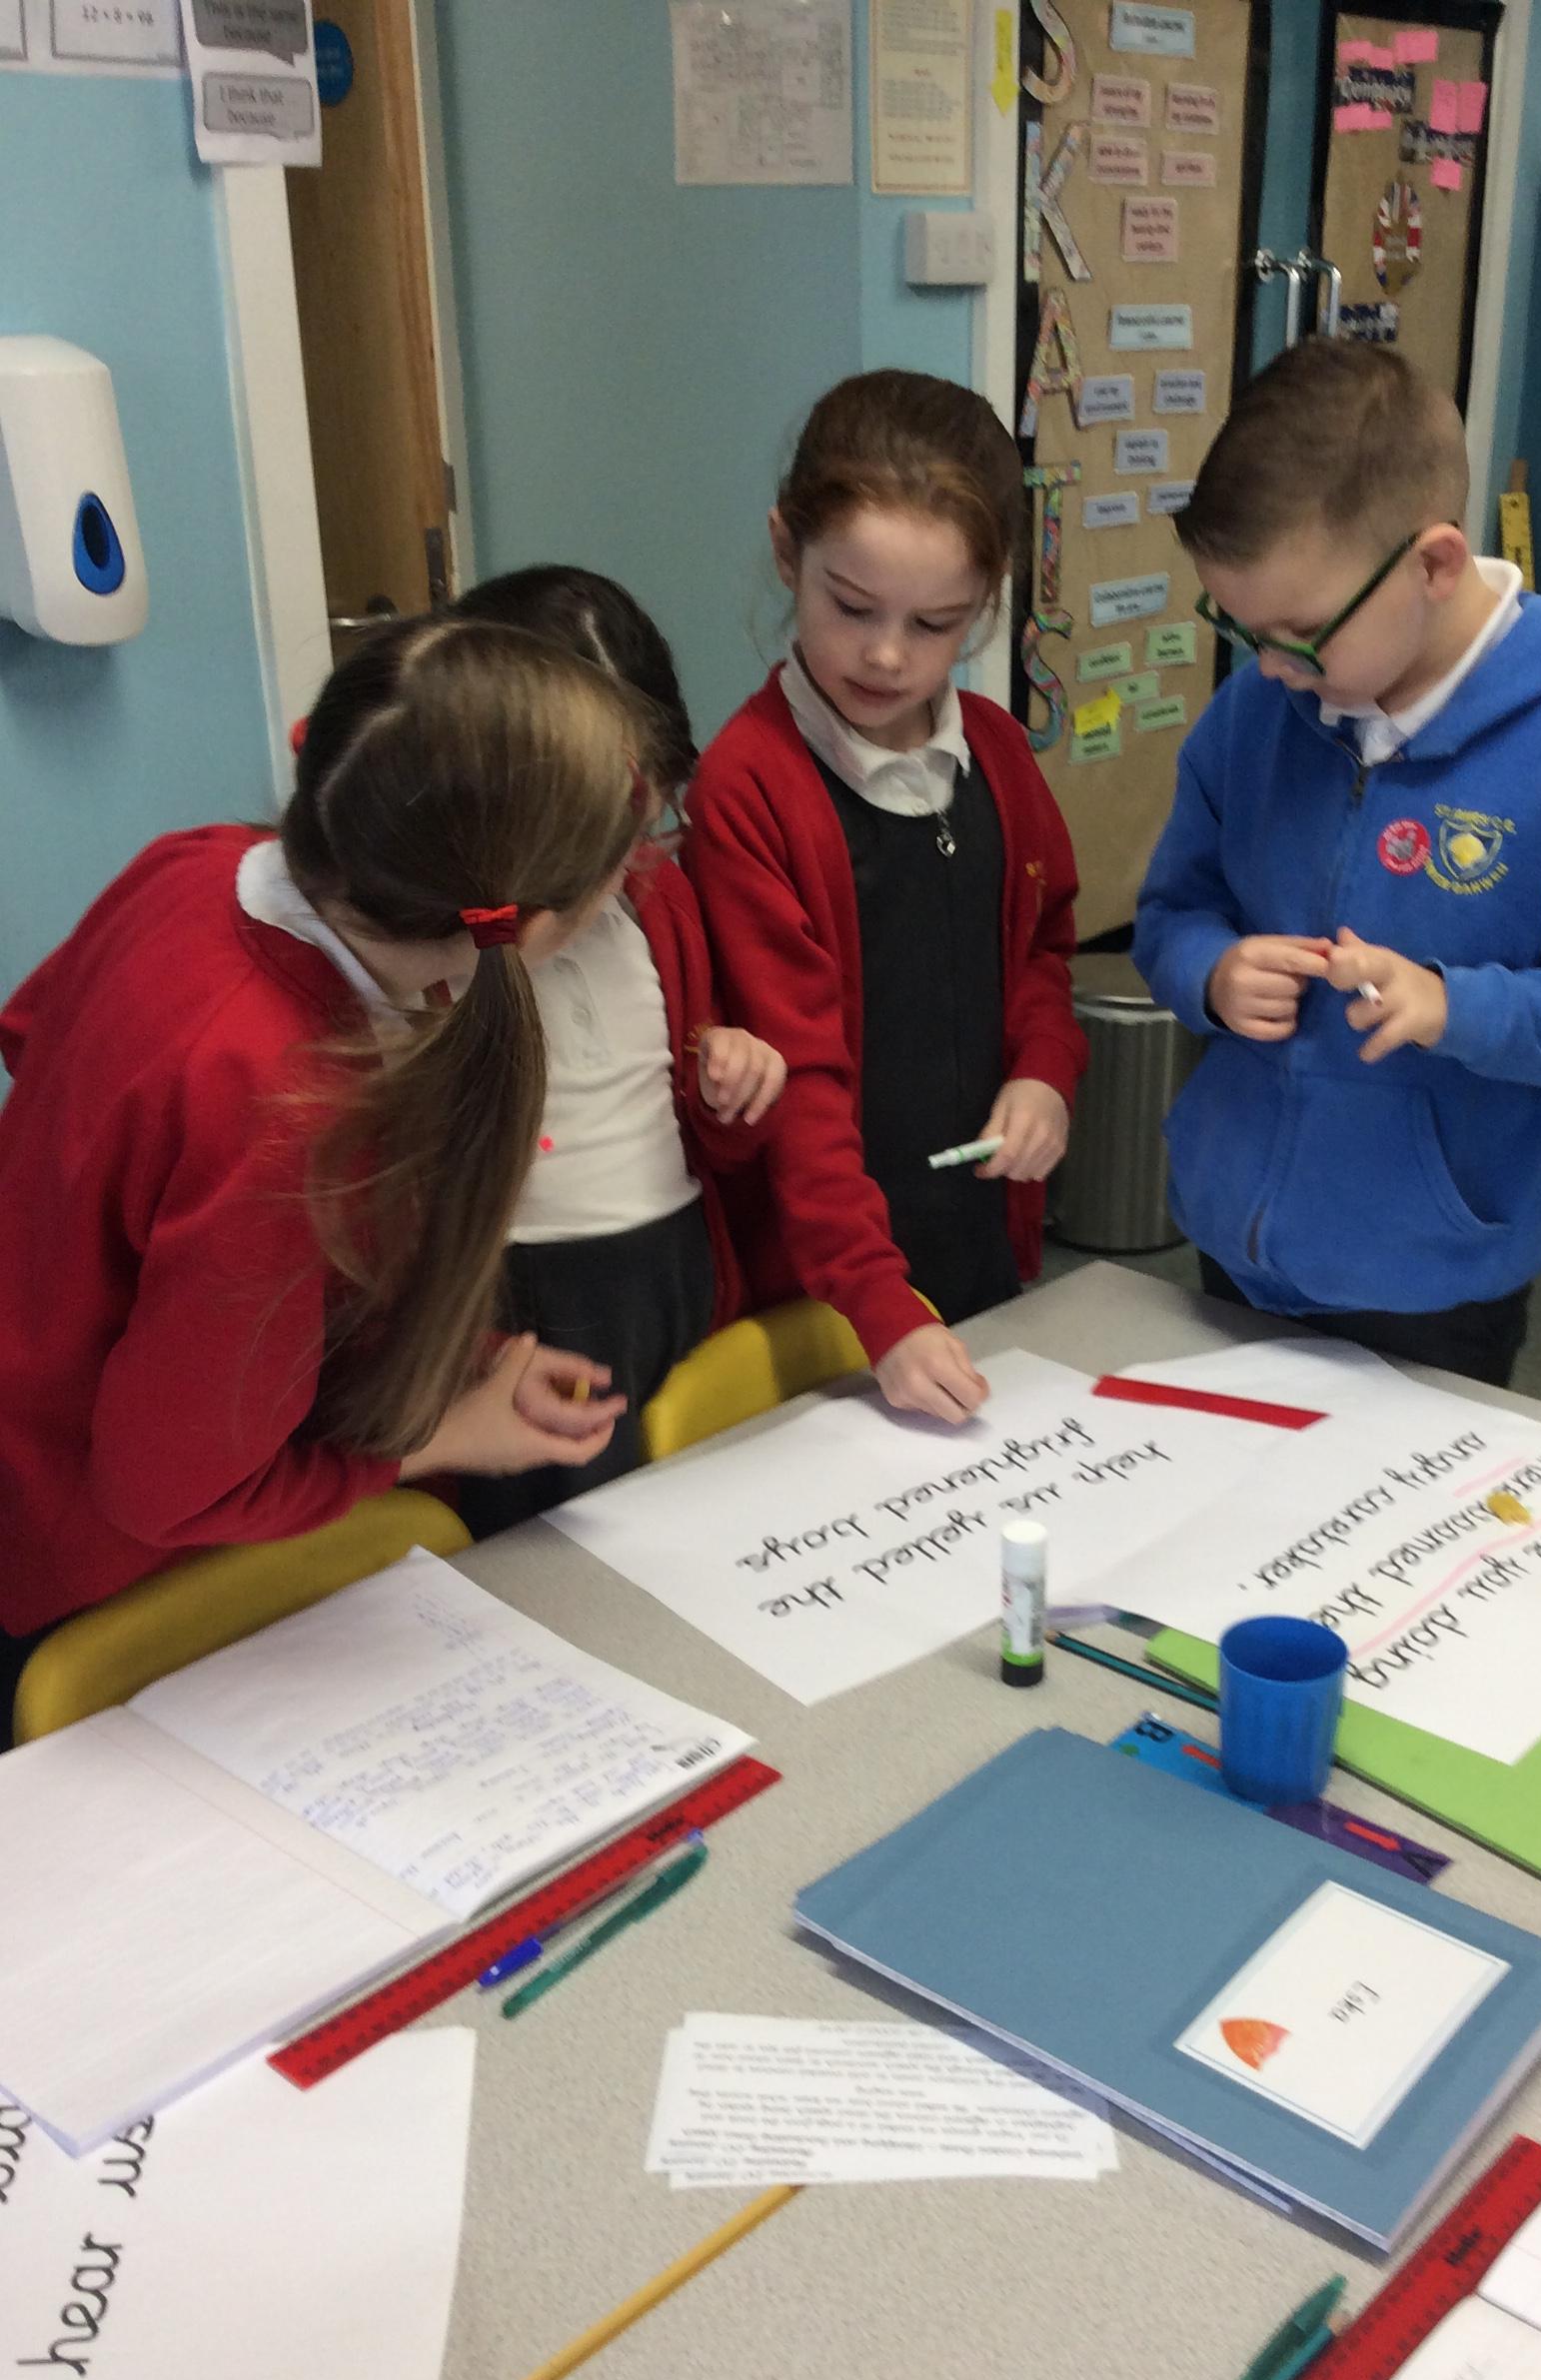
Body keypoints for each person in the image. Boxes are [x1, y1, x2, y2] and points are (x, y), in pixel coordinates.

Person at [0, 615, 663, 1730]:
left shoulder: (195, 864)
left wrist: (457, 1364)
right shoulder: (291, 1108)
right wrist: (441, 1437)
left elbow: (32, 1034)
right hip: (84, 1586)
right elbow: (171, 1491)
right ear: (537, 924)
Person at [1133, 340, 1541, 1388]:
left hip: (1431, 1279)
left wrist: (1460, 1008)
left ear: (1436, 566)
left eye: (1300, 633)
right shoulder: (1259, 711)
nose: (1269, 666)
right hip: (1233, 1231)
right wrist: (1210, 973)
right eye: (1240, 627)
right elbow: (1174, 907)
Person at [686, 369, 1087, 1426]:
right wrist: (879, 1303)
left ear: (985, 605)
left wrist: (1044, 1074)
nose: (885, 654)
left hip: (978, 1239)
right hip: (829, 1286)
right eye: (851, 606)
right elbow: (796, 1078)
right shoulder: (749, 788)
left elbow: (1044, 950)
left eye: (936, 623)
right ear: (788, 552)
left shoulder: (997, 751)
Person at [449, 566, 784, 1536]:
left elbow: (692, 1106)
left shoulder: (657, 897)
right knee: (557, 1545)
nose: (624, 861)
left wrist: (730, 1085)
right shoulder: (447, 943)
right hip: (528, 1298)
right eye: (600, 832)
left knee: (683, 1514)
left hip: (672, 1268)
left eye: (646, 824)